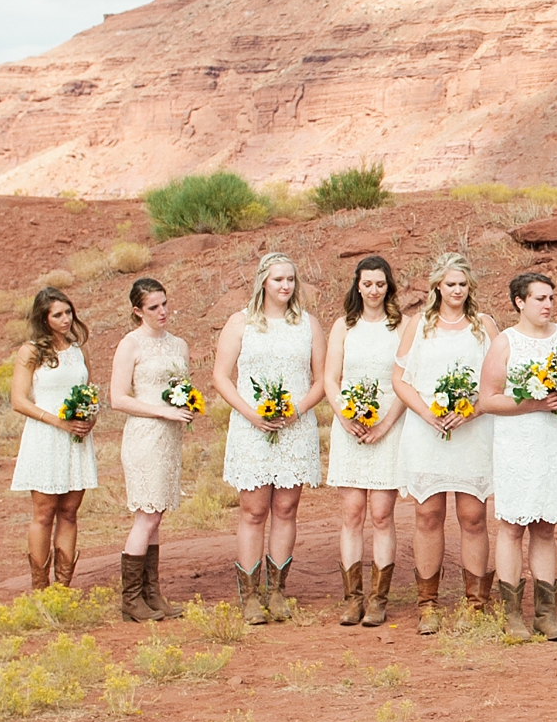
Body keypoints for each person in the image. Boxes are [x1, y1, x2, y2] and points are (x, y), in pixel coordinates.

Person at [480, 271, 557, 643]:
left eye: (550, 298)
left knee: (546, 526)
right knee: (513, 526)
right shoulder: (505, 342)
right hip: (519, 442)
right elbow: (488, 399)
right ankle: (512, 614)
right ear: (520, 302)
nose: (548, 305)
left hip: (556, 442)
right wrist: (534, 402)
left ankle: (547, 614)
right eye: (540, 299)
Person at [214, 251, 326, 624]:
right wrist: (252, 414)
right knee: (253, 510)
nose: (285, 286)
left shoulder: (308, 324)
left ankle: (277, 592)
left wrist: (295, 411)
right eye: (278, 279)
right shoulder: (240, 323)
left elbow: (322, 379)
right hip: (252, 428)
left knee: (286, 509)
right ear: (263, 280)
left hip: (295, 428)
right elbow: (220, 376)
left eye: (290, 279)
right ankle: (249, 597)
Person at [392, 252, 494, 633]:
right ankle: (428, 605)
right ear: (437, 286)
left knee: (473, 516)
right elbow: (400, 379)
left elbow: (497, 379)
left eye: (463, 284)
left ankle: (475, 604)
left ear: (470, 288)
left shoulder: (483, 326)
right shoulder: (419, 325)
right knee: (427, 515)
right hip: (427, 429)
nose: (456, 290)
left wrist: (470, 411)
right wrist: (426, 413)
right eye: (450, 284)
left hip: (472, 430)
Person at [325, 255, 407, 629]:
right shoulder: (344, 326)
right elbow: (330, 378)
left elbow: (406, 381)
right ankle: (352, 599)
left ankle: (378, 600)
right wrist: (344, 417)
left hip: (389, 427)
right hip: (351, 429)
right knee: (353, 514)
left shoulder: (401, 326)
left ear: (388, 286)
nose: (374, 290)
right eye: (367, 283)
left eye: (380, 283)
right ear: (357, 286)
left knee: (381, 515)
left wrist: (385, 424)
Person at [106, 276, 193, 622]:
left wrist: (186, 404)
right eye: (154, 307)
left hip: (170, 437)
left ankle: (151, 593)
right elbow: (118, 398)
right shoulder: (131, 345)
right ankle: (131, 599)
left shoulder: (179, 345)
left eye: (165, 304)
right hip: (144, 434)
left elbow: (181, 386)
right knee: (147, 513)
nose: (163, 312)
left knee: (157, 515)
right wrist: (162, 410)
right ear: (137, 311)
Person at [8, 286, 98, 590]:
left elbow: (90, 391)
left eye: (68, 312)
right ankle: (40, 588)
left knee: (70, 512)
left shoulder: (79, 351)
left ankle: (63, 588)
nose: (65, 319)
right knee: (44, 512)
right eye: (57, 314)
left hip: (76, 440)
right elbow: (19, 400)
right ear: (44, 319)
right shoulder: (31, 351)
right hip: (46, 436)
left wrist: (89, 417)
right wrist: (59, 422)